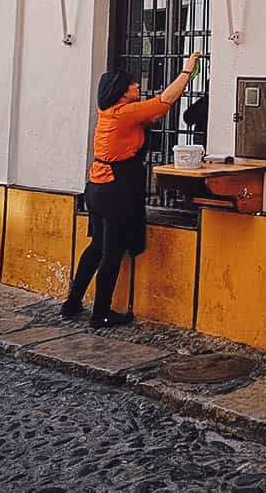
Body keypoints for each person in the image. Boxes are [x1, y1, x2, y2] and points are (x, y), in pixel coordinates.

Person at [61, 52, 200, 328]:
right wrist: (187, 72)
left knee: (97, 246)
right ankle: (100, 313)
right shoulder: (125, 113)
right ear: (122, 92)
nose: (138, 86)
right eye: (133, 84)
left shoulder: (111, 113)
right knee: (112, 253)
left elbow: (153, 112)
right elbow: (164, 101)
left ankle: (72, 302)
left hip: (96, 187)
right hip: (115, 189)